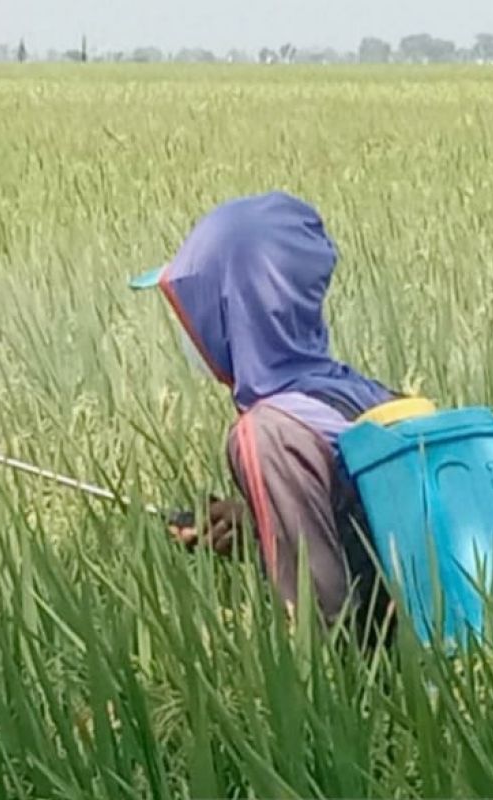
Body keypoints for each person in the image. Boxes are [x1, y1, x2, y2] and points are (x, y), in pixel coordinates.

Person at [129, 191, 395, 637]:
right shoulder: (369, 397)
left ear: (229, 309)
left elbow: (320, 624)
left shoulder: (267, 434)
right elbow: (373, 541)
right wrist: (260, 528)